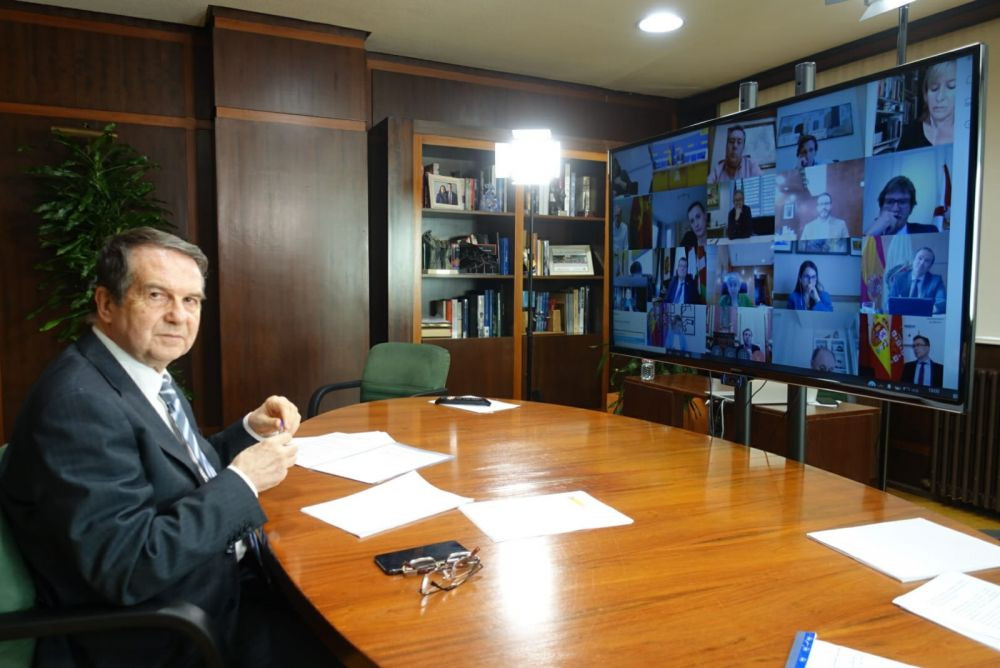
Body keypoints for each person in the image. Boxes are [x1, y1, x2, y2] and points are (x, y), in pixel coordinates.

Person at [0, 228, 331, 667]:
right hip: (169, 635)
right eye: (157, 295)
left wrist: (249, 431)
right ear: (106, 304)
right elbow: (127, 567)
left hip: (210, 590)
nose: (179, 316)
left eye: (191, 300)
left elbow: (180, 473)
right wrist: (245, 480)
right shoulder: (77, 406)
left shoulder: (138, 372)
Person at [897, 60, 956, 150]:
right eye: (934, 88)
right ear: (926, 94)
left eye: (951, 86)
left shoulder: (969, 132)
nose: (940, 97)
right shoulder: (910, 132)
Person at [867, 176, 938, 235]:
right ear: (881, 207)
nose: (895, 209)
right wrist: (870, 234)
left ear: (911, 208)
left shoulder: (929, 232)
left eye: (902, 202)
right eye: (890, 202)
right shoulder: (870, 232)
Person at [889, 246, 947, 314]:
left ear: (930, 266)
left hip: (924, 318)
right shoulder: (899, 278)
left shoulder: (936, 281)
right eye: (920, 258)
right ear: (913, 260)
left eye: (926, 261)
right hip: (902, 318)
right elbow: (888, 302)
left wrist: (919, 310)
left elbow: (942, 303)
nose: (922, 263)